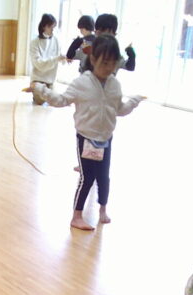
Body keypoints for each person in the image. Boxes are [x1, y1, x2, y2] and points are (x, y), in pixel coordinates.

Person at [34, 35, 144, 231]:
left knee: (104, 177)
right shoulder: (81, 83)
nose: (108, 68)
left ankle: (103, 209)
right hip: (86, 137)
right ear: (93, 59)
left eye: (113, 63)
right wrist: (41, 89)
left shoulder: (114, 85)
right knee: (87, 177)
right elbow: (61, 100)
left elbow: (119, 110)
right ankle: (76, 216)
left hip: (106, 138)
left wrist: (134, 101)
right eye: (104, 62)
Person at [28, 13, 61, 105]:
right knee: (40, 100)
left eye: (54, 27)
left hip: (50, 81)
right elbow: (39, 64)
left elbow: (59, 58)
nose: (53, 29)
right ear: (44, 27)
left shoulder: (56, 41)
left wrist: (65, 58)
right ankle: (34, 89)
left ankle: (40, 90)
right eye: (51, 27)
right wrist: (56, 59)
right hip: (38, 80)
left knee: (53, 99)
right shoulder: (34, 42)